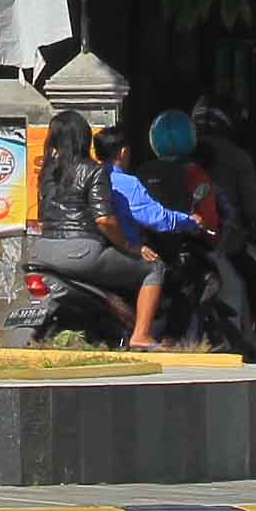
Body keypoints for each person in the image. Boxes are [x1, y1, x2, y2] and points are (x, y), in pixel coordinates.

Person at [22, 108, 201, 350]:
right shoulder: (95, 171)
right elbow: (105, 220)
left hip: (42, 250)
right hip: (82, 252)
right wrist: (132, 247)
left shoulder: (47, 172)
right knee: (154, 267)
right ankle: (141, 334)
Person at [187, 98, 256, 237]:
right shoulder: (239, 158)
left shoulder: (179, 154)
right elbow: (253, 210)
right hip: (226, 242)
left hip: (184, 239)